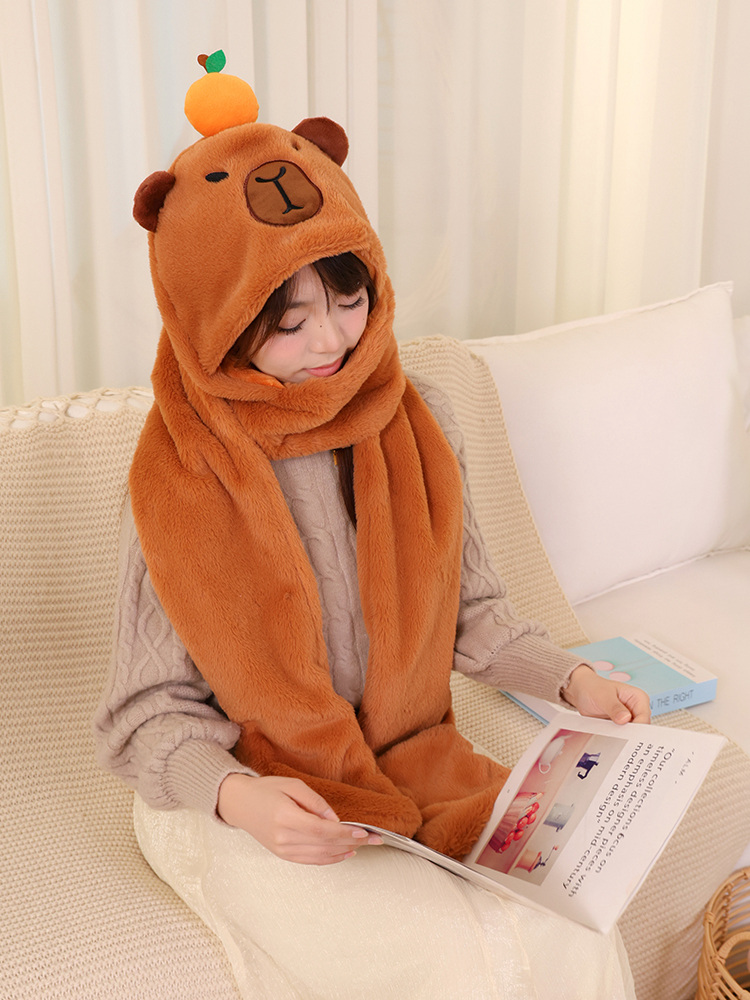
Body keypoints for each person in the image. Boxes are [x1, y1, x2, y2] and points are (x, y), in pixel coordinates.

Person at [95, 106, 649, 998]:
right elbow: (145, 713)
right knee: (444, 961)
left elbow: (472, 614)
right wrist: (239, 799)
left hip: (412, 754)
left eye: (349, 302)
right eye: (289, 322)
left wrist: (574, 682)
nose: (332, 342)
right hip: (240, 789)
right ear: (217, 322)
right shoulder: (179, 477)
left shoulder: (418, 418)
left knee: (571, 916)